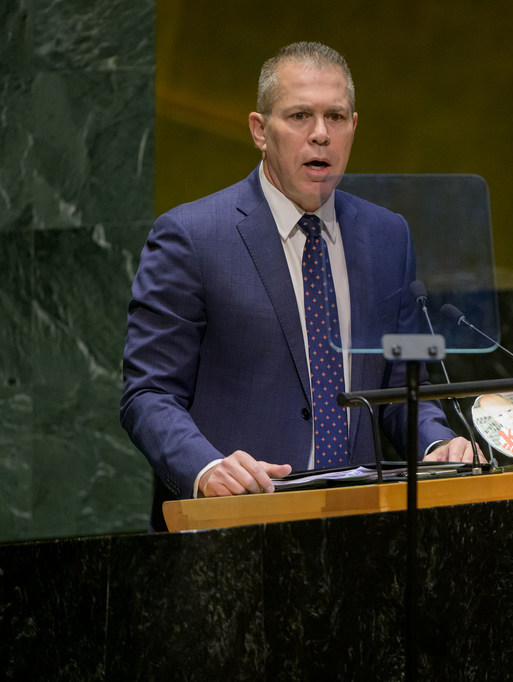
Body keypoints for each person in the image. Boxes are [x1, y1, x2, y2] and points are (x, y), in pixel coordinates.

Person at [120, 41, 477, 529]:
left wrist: (438, 443)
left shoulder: (388, 235)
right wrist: (205, 468)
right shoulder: (192, 236)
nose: (320, 135)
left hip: (362, 528)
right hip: (237, 526)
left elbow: (402, 382)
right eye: (299, 116)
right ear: (259, 130)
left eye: (335, 116)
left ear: (354, 126)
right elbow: (149, 394)